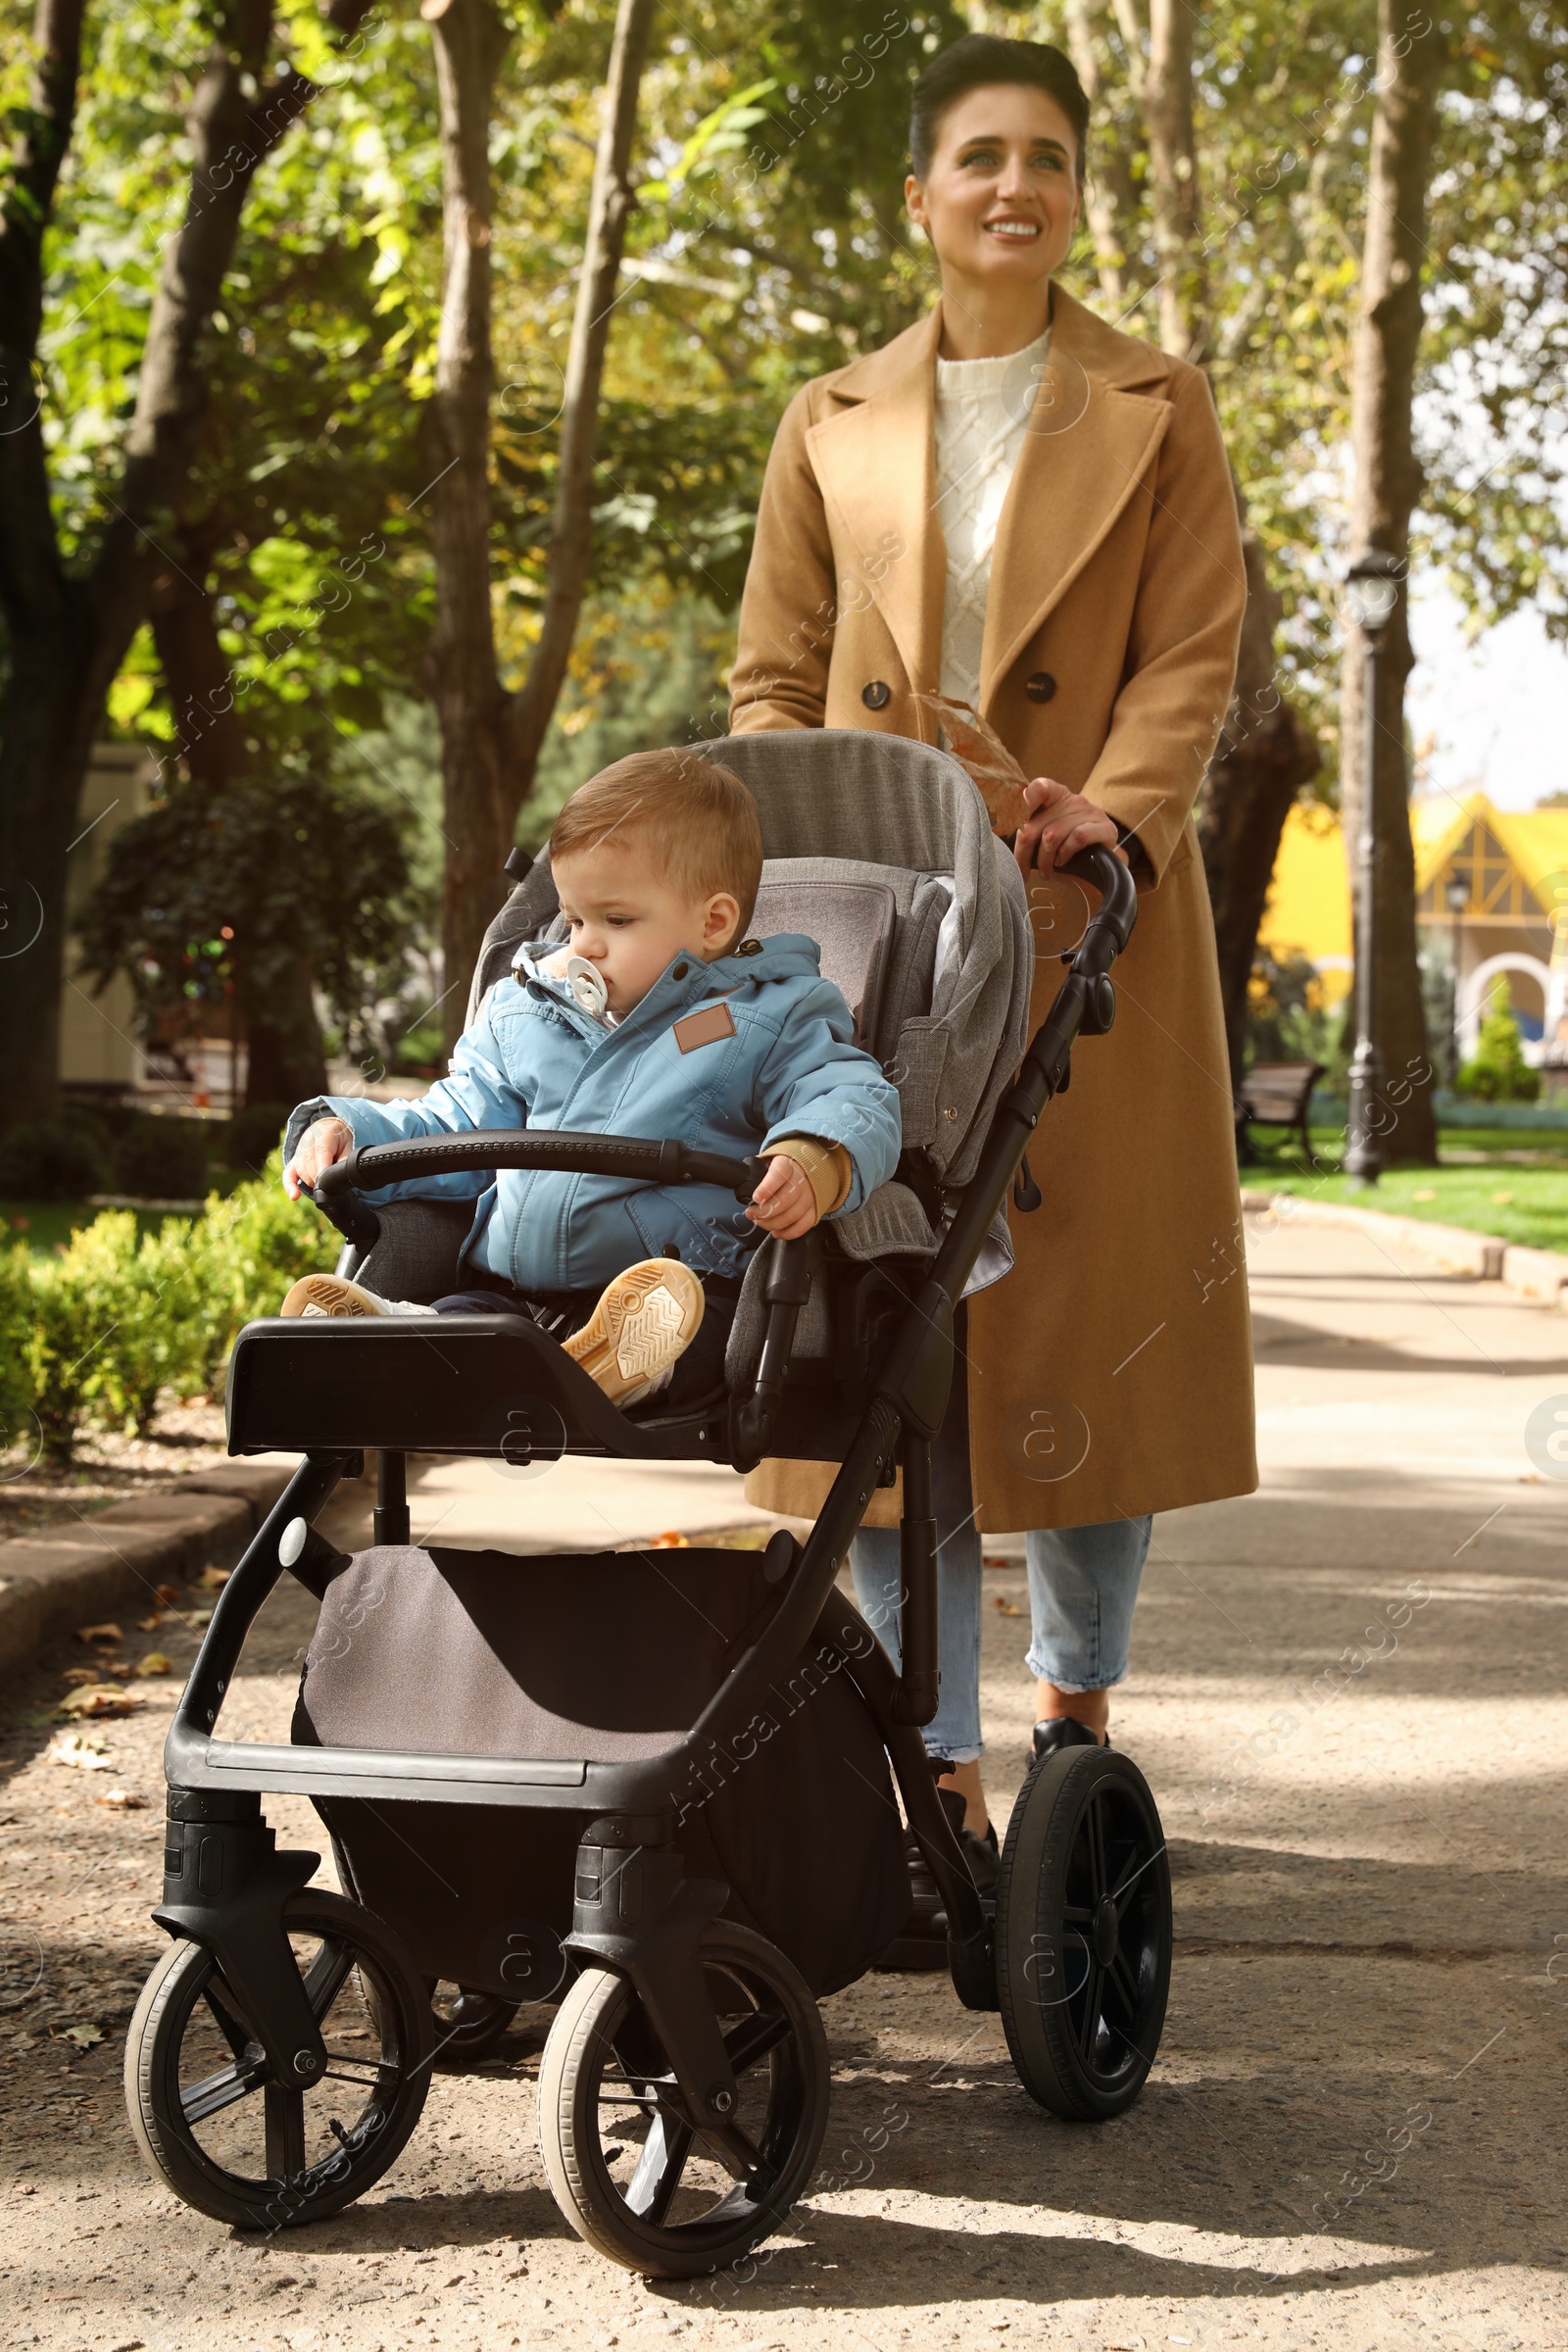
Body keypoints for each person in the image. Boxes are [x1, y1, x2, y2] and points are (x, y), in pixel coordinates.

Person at [728, 34, 1255, 1910]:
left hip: (1079, 908)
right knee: (890, 1355)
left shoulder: (1157, 400)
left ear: (1077, 192)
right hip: (880, 922)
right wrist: (783, 866)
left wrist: (1112, 814)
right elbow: (772, 686)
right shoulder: (827, 417)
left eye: (1046, 156)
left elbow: (1193, 649)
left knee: (1082, 1340)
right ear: (921, 198)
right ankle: (921, 1752)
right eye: (978, 157)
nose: (1013, 184)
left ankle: (1077, 1720)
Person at [278, 751, 902, 1404]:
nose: (584, 946)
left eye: (617, 920)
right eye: (574, 920)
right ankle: (410, 1339)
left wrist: (814, 1157)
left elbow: (849, 1094)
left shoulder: (765, 1016)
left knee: (688, 1323)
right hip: (514, 1290)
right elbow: (456, 1121)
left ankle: (625, 1369)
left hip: (678, 1287)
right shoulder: (527, 1011)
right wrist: (351, 1131)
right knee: (474, 1317)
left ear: (712, 923)